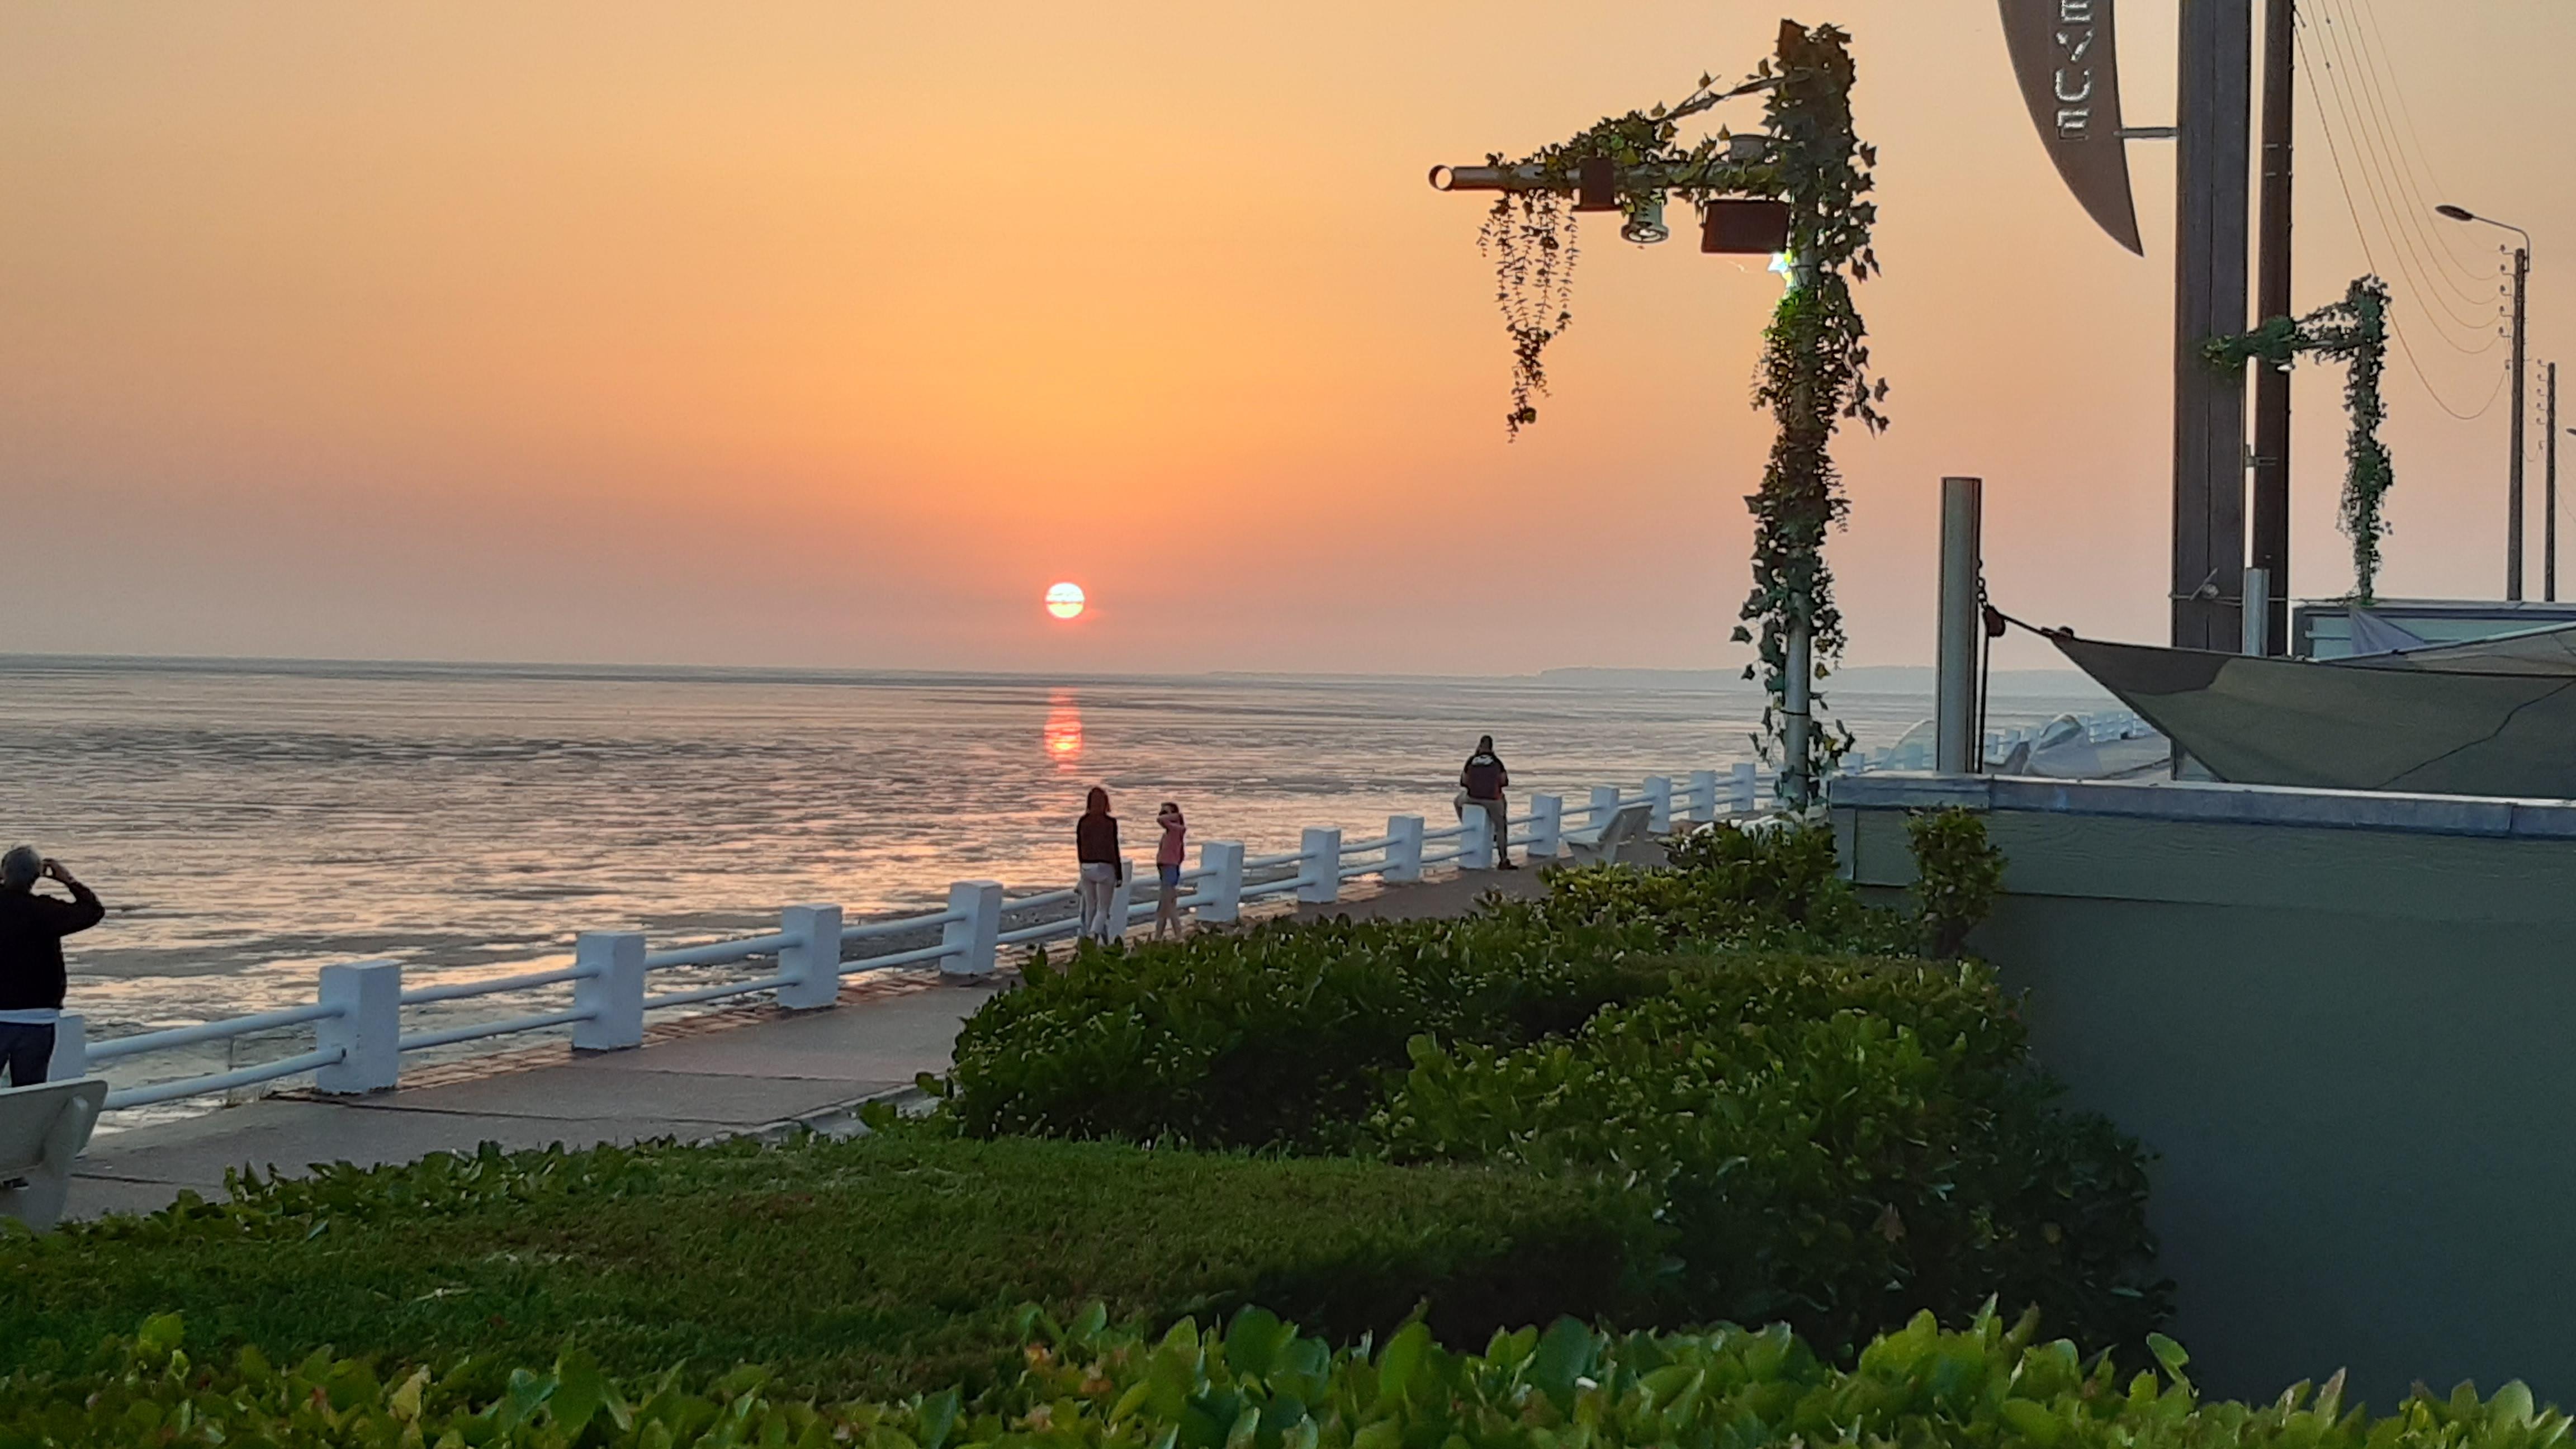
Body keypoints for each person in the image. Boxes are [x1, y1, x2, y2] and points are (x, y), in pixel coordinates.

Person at [0, 846, 103, 1086]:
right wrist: (68, 880)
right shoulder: (46, 911)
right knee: (31, 1092)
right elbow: (92, 911)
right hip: (37, 1016)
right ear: (37, 878)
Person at [1455, 735, 1516, 869]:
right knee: (1501, 826)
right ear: (1492, 747)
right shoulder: (1497, 762)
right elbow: (1504, 782)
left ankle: (1465, 822)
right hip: (1493, 800)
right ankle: (1503, 859)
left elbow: (1463, 781)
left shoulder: (1471, 761)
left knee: (1457, 801)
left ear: (1480, 746)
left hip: (1473, 798)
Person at [1074, 787, 1123, 944]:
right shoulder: (1110, 823)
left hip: (1087, 867)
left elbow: (1080, 846)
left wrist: (1082, 866)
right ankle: (1093, 935)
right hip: (1105, 867)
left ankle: (1093, 940)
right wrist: (1119, 874)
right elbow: (1113, 848)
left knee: (1091, 907)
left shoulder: (1083, 821)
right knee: (1103, 908)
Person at [1152, 802, 1187, 940]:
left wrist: (1176, 815)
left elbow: (1160, 820)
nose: (1163, 815)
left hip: (1170, 869)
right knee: (1165, 906)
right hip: (1165, 869)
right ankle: (1159, 937)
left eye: (1166, 812)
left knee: (1168, 906)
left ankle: (1178, 936)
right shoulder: (1169, 833)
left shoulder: (1177, 830)